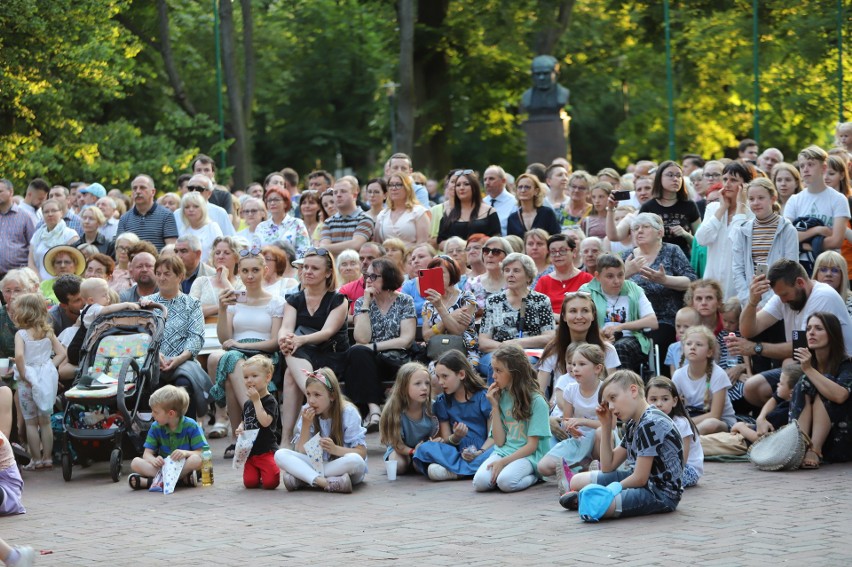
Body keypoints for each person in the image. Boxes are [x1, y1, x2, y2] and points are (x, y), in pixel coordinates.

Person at [560, 370, 683, 519]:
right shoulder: (633, 422)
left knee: (596, 508)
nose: (610, 407)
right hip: (640, 481)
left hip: (659, 493)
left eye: (613, 398)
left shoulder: (651, 423)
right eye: (607, 403)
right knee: (576, 480)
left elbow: (640, 478)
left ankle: (587, 498)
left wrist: (613, 489)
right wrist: (605, 426)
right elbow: (608, 466)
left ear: (633, 391)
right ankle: (587, 496)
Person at [208, 252, 283, 457]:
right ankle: (251, 429)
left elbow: (275, 342)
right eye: (245, 271)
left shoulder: (275, 301)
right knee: (231, 361)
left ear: (265, 271)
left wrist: (242, 344)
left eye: (255, 270)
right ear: (238, 272)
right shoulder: (235, 299)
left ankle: (241, 434)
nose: (250, 276)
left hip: (263, 353)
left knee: (231, 362)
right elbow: (225, 338)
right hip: (236, 352)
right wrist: (223, 309)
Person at [277, 247, 349, 443]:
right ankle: (314, 400)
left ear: (327, 273)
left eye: (314, 268)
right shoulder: (293, 299)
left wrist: (299, 340)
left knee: (290, 373)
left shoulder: (338, 299)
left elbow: (327, 332)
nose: (307, 271)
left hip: (332, 356)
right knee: (290, 353)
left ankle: (290, 435)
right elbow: (285, 328)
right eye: (305, 267)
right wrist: (284, 339)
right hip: (303, 354)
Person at [345, 258, 416, 430]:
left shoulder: (404, 301)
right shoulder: (362, 302)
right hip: (371, 361)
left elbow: (406, 340)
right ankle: (374, 410)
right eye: (366, 275)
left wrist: (374, 347)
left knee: (360, 353)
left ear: (388, 278)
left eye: (373, 276)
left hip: (397, 359)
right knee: (357, 352)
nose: (367, 280)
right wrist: (366, 303)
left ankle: (368, 414)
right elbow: (362, 339)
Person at [274, 368, 367, 493]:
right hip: (318, 463)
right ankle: (323, 482)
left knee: (355, 460)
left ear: (332, 396)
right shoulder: (307, 411)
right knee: (280, 454)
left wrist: (335, 449)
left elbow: (361, 453)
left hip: (343, 467)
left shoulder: (348, 412)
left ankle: (304, 478)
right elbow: (301, 451)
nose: (311, 400)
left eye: (317, 395)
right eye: (308, 394)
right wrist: (306, 425)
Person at [472, 344, 550, 493]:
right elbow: (500, 441)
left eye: (499, 371)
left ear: (515, 373)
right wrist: (494, 407)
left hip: (529, 456)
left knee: (505, 483)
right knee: (480, 483)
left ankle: (536, 476)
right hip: (504, 451)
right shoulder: (501, 396)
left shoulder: (537, 401)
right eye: (493, 370)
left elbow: (532, 446)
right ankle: (507, 471)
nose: (493, 376)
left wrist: (503, 463)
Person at [622, 212, 697, 368]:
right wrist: (626, 273)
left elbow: (692, 281)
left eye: (645, 227)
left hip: (664, 319)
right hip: (632, 321)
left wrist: (665, 280)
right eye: (635, 228)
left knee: (657, 342)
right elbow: (608, 287)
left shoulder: (672, 251)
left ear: (660, 232)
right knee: (621, 346)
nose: (639, 231)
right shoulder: (626, 257)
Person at [143, 256, 208, 421]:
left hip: (183, 360)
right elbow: (142, 335)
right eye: (158, 273)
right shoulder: (147, 304)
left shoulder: (192, 304)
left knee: (185, 381)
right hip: (153, 360)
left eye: (167, 273)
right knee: (147, 378)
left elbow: (196, 336)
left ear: (180, 276)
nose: (161, 278)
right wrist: (155, 354)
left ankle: (188, 430)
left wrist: (180, 358)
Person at [412, 351, 494, 481]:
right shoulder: (442, 402)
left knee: (500, 448)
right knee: (423, 448)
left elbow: (493, 436)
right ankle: (471, 470)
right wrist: (456, 437)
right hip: (458, 454)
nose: (440, 382)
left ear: (461, 374)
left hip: (484, 450)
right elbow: (447, 440)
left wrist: (480, 452)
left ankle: (457, 472)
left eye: (445, 376)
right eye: (438, 377)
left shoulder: (483, 397)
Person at [478, 253, 555, 380]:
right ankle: (495, 400)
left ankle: (533, 400)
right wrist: (507, 347)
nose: (510, 274)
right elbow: (483, 342)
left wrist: (518, 343)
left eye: (516, 270)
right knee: (498, 365)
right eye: (507, 270)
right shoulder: (493, 301)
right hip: (497, 353)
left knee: (523, 365)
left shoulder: (541, 300)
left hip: (529, 353)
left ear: (528, 275)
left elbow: (549, 337)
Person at [790, 312, 852, 467]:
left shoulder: (847, 364)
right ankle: (800, 447)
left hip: (840, 437)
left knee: (823, 382)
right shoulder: (807, 363)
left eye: (818, 328)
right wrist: (762, 417)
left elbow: (840, 396)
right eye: (809, 328)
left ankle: (814, 449)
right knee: (806, 382)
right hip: (807, 432)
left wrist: (809, 370)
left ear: (832, 334)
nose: (811, 332)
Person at [580, 254, 658, 374]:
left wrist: (620, 327)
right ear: (598, 276)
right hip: (595, 339)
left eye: (620, 275)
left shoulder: (633, 289)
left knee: (618, 348)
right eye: (610, 276)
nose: (617, 281)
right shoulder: (586, 291)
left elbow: (652, 322)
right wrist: (600, 335)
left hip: (630, 339)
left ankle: (621, 388)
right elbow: (579, 320)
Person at [537, 344, 606, 481]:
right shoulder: (570, 389)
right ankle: (582, 470)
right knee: (543, 467)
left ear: (597, 368)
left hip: (601, 440)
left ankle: (598, 468)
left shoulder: (605, 389)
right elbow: (566, 420)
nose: (575, 369)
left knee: (600, 433)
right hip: (580, 440)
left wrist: (582, 421)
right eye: (573, 364)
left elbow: (611, 425)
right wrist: (570, 428)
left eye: (581, 364)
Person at [13, 293, 64, 471]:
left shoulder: (21, 334)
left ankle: (36, 459)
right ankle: (48, 458)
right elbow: (62, 353)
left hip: (28, 379)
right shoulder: (47, 332)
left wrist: (23, 372)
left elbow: (19, 355)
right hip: (45, 378)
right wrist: (49, 366)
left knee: (30, 422)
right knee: (46, 421)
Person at [731, 178, 798, 307]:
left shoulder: (788, 229)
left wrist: (769, 302)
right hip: (750, 300)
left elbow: (791, 268)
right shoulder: (742, 230)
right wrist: (749, 299)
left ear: (773, 198)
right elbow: (738, 269)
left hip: (778, 301)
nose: (756, 203)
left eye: (761, 198)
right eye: (751, 199)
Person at [538, 292, 621, 394]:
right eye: (573, 311)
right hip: (561, 407)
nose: (579, 316)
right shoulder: (553, 349)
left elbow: (612, 389)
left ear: (593, 315)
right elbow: (539, 391)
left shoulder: (607, 350)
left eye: (585, 311)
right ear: (564, 316)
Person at [784, 145, 850, 273]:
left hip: (829, 266)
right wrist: (817, 230)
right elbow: (787, 237)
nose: (805, 169)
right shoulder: (794, 200)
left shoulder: (838, 199)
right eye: (802, 166)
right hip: (800, 266)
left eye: (810, 164)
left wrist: (802, 245)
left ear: (823, 168)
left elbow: (836, 241)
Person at [128, 385, 207, 490]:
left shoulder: (191, 425)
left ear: (171, 413)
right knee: (135, 463)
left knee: (196, 460)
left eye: (156, 412)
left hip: (184, 466)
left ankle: (152, 482)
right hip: (164, 467)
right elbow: (147, 454)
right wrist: (153, 460)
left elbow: (202, 453)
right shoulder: (156, 426)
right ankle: (182, 481)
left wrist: (185, 453)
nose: (152, 415)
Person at [695, 161, 753, 298]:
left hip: (738, 284)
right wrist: (722, 208)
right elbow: (701, 239)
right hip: (712, 281)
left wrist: (740, 206)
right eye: (725, 179)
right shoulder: (713, 208)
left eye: (733, 180)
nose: (727, 184)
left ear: (745, 184)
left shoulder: (752, 213)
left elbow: (738, 240)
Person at [672, 326, 736, 434]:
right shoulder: (678, 375)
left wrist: (685, 423)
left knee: (710, 424)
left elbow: (715, 415)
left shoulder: (718, 374)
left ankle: (687, 438)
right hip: (693, 418)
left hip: (721, 422)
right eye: (688, 344)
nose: (692, 347)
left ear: (709, 352)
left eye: (699, 344)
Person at [379, 362, 436, 475]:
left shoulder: (433, 407)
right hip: (401, 449)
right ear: (404, 387)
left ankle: (415, 463)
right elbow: (397, 444)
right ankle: (408, 461)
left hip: (425, 448)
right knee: (398, 466)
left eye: (427, 383)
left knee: (421, 466)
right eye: (417, 384)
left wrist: (428, 445)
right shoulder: (394, 410)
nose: (424, 388)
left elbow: (438, 434)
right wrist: (413, 451)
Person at [421, 256, 478, 367]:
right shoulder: (428, 304)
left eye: (441, 273)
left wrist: (440, 307)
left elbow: (457, 331)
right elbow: (427, 336)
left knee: (459, 371)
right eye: (432, 273)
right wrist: (450, 316)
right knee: (433, 374)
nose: (436, 277)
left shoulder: (466, 298)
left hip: (465, 353)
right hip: (438, 354)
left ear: (452, 274)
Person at [646, 377, 703, 488]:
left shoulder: (681, 423)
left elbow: (683, 459)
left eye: (665, 399)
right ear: (646, 401)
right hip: (664, 468)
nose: (659, 404)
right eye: (653, 399)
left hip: (688, 469)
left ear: (675, 401)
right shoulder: (647, 422)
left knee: (657, 482)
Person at [234, 355, 280, 490]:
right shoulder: (248, 403)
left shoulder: (270, 401)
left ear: (268, 377)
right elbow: (246, 419)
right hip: (251, 452)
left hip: (266, 450)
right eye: (246, 377)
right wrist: (240, 427)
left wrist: (256, 401)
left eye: (254, 376)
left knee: (271, 483)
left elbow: (265, 422)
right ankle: (258, 473)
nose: (249, 380)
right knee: (250, 483)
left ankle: (270, 469)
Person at [638, 161, 700, 260]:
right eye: (670, 175)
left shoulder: (690, 205)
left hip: (683, 260)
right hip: (655, 260)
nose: (675, 179)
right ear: (659, 178)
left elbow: (699, 244)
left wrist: (686, 235)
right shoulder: (648, 207)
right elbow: (639, 241)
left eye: (679, 176)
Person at [730, 362, 802, 444]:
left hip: (744, 443)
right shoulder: (786, 405)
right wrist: (751, 426)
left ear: (792, 392)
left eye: (781, 384)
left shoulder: (782, 414)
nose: (777, 384)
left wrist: (741, 427)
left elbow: (762, 440)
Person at [534, 234, 593, 316]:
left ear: (574, 252)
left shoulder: (587, 279)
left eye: (563, 251)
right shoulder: (543, 281)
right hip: (551, 325)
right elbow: (536, 310)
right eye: (553, 252)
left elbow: (593, 310)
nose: (557, 255)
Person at [116, 174, 178, 252]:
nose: (138, 191)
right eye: (134, 188)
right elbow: (119, 249)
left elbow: (171, 248)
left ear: (153, 192)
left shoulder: (166, 215)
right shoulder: (124, 218)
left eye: (142, 188)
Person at [437, 170, 500, 245]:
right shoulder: (448, 213)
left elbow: (497, 239)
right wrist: (457, 245)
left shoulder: (489, 212)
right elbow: (440, 241)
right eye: (458, 185)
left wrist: (478, 244)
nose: (461, 188)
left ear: (475, 187)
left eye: (466, 184)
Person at [190, 236, 245, 319]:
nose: (221, 256)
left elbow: (241, 308)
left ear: (236, 258)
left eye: (226, 253)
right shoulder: (201, 281)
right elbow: (191, 312)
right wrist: (220, 307)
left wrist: (224, 280)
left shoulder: (243, 283)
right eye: (217, 253)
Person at [319, 178, 375, 256]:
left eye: (343, 191)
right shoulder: (328, 222)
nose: (338, 195)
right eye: (335, 192)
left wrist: (327, 248)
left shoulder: (365, 219)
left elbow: (356, 245)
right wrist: (324, 248)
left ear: (354, 195)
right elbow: (322, 249)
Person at [28, 198, 79, 281]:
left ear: (61, 213)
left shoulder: (70, 235)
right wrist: (40, 282)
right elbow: (31, 262)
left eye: (54, 211)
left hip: (63, 283)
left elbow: (74, 263)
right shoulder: (37, 235)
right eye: (46, 212)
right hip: (40, 282)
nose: (50, 214)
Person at [374, 173, 429, 246]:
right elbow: (377, 245)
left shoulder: (419, 212)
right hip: (386, 256)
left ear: (407, 188)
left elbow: (422, 243)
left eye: (398, 185)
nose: (394, 188)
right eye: (391, 185)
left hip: (411, 256)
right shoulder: (382, 215)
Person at [254, 187, 310, 257]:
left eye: (276, 200)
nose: (272, 203)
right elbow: (255, 253)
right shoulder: (261, 227)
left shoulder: (297, 224)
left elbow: (304, 250)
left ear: (286, 203)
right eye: (269, 200)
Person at [0, 179, 36, 282]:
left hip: (17, 277)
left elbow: (33, 245)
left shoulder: (25, 216)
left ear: (11, 192)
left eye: (0, 191)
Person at [463, 236, 509, 317]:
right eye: (486, 251)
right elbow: (465, 315)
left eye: (496, 252)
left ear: (507, 256)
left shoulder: (513, 282)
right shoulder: (472, 283)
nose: (490, 255)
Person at [506, 174, 560, 239]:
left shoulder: (547, 213)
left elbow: (556, 237)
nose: (523, 190)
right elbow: (511, 243)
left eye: (527, 187)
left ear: (536, 191)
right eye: (520, 187)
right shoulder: (512, 218)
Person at [175, 192, 222, 263]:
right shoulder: (183, 230)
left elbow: (220, 251)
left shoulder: (212, 227)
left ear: (203, 209)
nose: (191, 210)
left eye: (196, 206)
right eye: (187, 207)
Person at [399, 242, 436, 324]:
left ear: (434, 259)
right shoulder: (408, 286)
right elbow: (403, 313)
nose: (415, 261)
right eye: (413, 259)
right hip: (415, 332)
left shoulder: (447, 281)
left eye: (421, 257)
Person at [812, 251, 852, 316]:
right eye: (823, 269)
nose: (828, 274)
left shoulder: (850, 301)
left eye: (835, 270)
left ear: (842, 275)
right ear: (816, 273)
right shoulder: (807, 299)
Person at [666, 307, 701, 375]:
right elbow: (673, 375)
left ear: (697, 327)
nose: (681, 330)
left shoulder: (702, 347)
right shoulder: (672, 348)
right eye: (678, 326)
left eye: (686, 326)